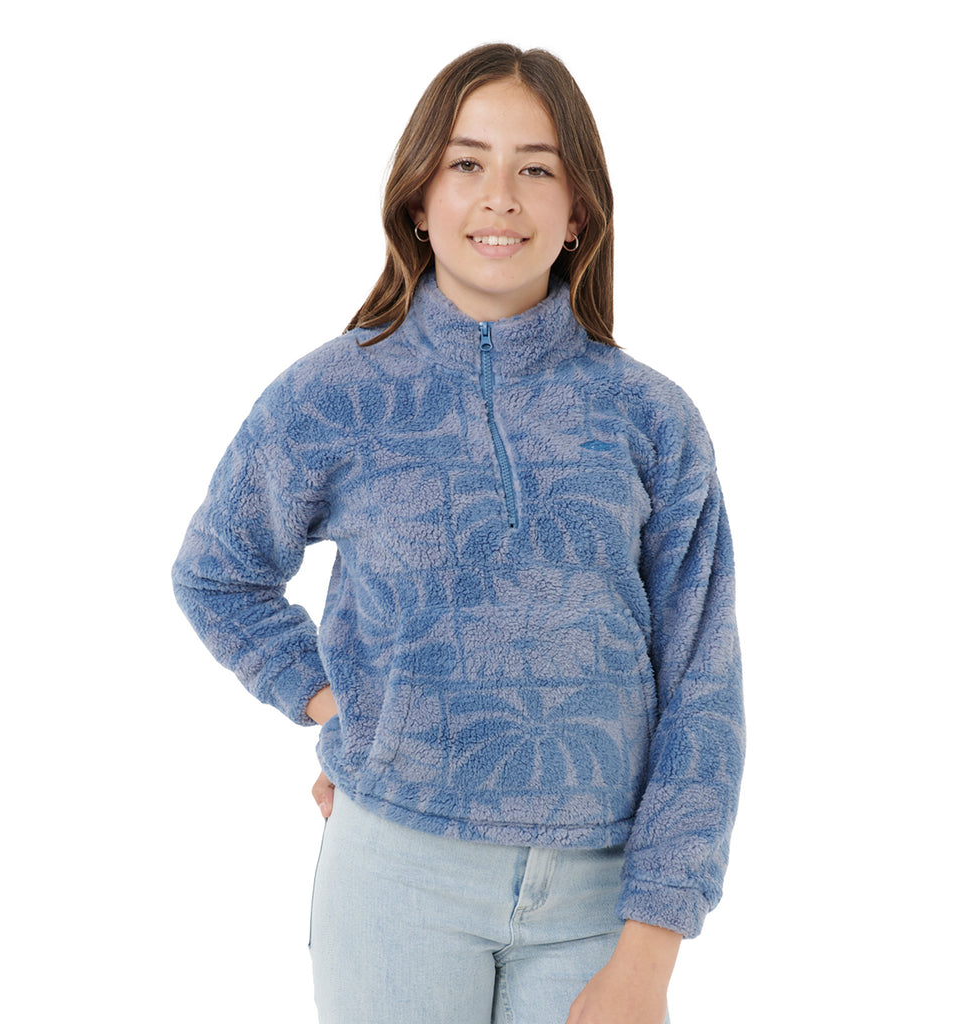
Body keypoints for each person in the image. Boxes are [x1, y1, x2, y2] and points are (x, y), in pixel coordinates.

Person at [172, 42, 744, 1024]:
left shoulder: (652, 419)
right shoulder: (334, 394)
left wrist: (652, 949)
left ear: (579, 212)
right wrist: (339, 704)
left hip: (600, 897)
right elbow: (218, 574)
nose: (500, 198)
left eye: (537, 169)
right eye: (466, 163)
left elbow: (704, 685)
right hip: (394, 882)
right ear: (418, 200)